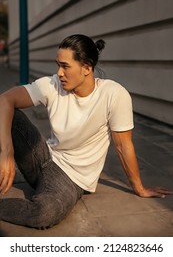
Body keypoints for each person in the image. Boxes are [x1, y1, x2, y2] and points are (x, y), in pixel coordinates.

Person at [0, 34, 172, 229]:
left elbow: (123, 145)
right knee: (6, 112)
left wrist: (139, 188)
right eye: (58, 65)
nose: (59, 73)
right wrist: (7, 152)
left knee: (43, 214)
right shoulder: (52, 85)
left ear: (87, 68)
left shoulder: (113, 95)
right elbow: (5, 100)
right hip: (42, 157)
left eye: (65, 66)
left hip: (69, 177)